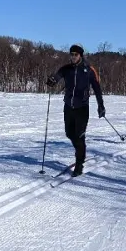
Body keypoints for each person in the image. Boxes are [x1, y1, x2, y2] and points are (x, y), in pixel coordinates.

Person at [47, 44, 105, 176]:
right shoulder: (66, 69)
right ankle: (81, 150)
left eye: (76, 54)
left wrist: (101, 105)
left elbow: (97, 89)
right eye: (71, 54)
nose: (73, 56)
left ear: (80, 55)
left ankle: (79, 164)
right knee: (69, 133)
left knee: (79, 136)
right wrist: (51, 81)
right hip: (68, 106)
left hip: (82, 108)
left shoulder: (89, 70)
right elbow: (56, 77)